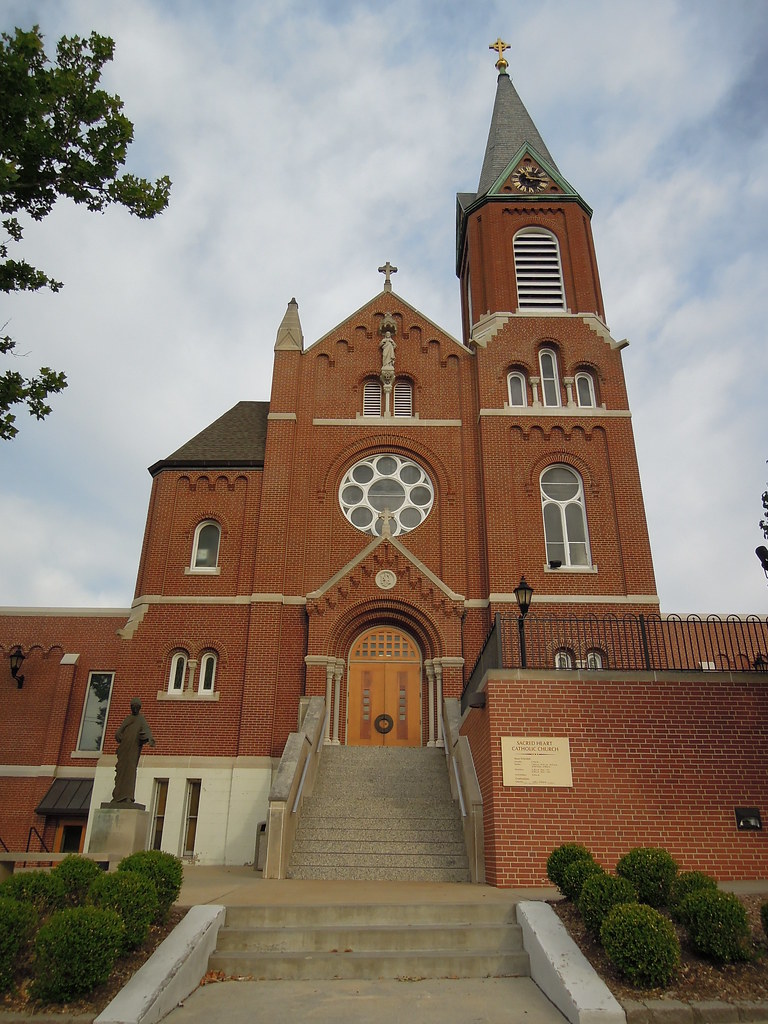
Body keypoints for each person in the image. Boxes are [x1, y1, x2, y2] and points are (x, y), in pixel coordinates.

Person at [112, 698, 156, 804]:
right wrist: (120, 735)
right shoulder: (128, 719)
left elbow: (146, 730)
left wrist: (149, 738)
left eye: (137, 707)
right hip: (124, 749)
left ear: (139, 708)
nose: (135, 709)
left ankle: (128, 796)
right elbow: (119, 732)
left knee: (130, 771)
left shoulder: (141, 719)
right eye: (133, 707)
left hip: (133, 750)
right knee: (120, 771)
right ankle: (117, 796)